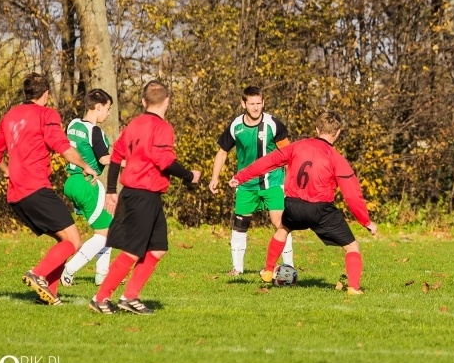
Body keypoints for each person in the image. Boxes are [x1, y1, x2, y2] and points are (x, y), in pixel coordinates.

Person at [228, 111, 378, 295]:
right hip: (320, 210)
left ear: (316, 129)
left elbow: (267, 162)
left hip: (293, 205)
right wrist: (366, 221)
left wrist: (241, 177)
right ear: (337, 133)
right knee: (352, 247)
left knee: (282, 229)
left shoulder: (297, 147)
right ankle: (354, 287)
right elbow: (352, 195)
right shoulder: (336, 158)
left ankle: (268, 270)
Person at [0, 72, 99, 305]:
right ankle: (38, 274)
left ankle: (49, 293)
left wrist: (7, 170)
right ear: (46, 94)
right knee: (74, 241)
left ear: (26, 94)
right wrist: (86, 166)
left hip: (16, 195)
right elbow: (62, 147)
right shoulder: (46, 114)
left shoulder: (10, 116)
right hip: (36, 188)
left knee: (63, 241)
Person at [89, 80, 200, 314]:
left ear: (143, 101)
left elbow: (116, 156)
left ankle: (129, 297)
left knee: (157, 248)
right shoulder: (162, 128)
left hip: (144, 195)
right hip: (142, 195)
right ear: (167, 101)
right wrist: (189, 176)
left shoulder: (134, 124)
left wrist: (111, 190)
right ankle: (100, 298)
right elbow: (164, 160)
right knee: (132, 250)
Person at [208, 86, 293, 276]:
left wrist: (290, 182)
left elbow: (289, 155)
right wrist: (215, 178)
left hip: (273, 182)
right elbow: (222, 152)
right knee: (240, 225)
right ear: (243, 104)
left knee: (280, 223)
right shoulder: (235, 126)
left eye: (258, 103)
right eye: (251, 104)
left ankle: (289, 267)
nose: (255, 108)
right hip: (246, 184)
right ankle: (237, 269)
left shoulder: (273, 124)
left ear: (263, 103)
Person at [61, 88, 115, 287]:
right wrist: (131, 161)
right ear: (98, 107)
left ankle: (102, 274)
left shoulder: (74, 124)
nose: (108, 114)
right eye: (107, 109)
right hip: (87, 183)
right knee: (104, 234)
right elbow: (104, 158)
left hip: (72, 181)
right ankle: (69, 270)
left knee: (108, 225)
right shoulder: (95, 131)